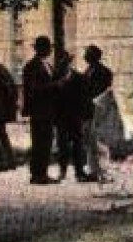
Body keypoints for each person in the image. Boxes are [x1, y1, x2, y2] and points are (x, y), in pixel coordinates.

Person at [21, 36, 58, 185]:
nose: (50, 50)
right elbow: (34, 89)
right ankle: (37, 174)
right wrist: (56, 85)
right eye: (48, 47)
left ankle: (42, 172)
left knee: (46, 142)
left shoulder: (47, 65)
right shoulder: (32, 66)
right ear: (41, 49)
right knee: (40, 142)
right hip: (39, 110)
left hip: (47, 110)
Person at [79, 45, 114, 182]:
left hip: (99, 110)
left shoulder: (104, 72)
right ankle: (93, 171)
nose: (85, 57)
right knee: (90, 142)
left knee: (100, 142)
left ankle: (104, 172)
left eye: (88, 54)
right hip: (88, 111)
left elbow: (101, 92)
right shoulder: (88, 71)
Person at [52, 50, 88, 182]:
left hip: (75, 117)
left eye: (65, 61)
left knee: (78, 144)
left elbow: (83, 98)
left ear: (69, 62)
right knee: (62, 145)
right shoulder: (55, 77)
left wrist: (82, 116)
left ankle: (79, 171)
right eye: (61, 62)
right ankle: (63, 171)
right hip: (61, 117)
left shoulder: (78, 77)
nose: (63, 64)